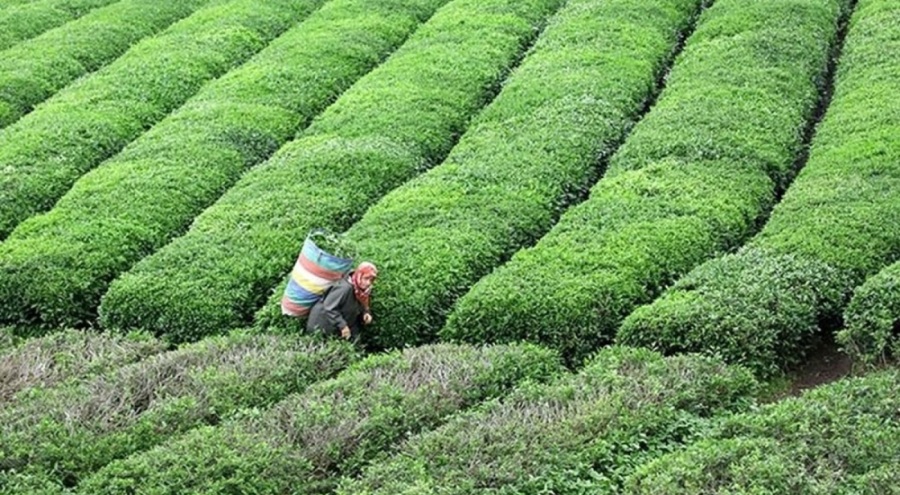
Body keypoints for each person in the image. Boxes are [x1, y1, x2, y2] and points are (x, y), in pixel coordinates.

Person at [307, 261, 377, 341]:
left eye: (371, 280)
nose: (368, 283)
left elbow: (360, 305)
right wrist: (342, 326)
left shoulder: (362, 292)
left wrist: (366, 313)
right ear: (359, 275)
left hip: (343, 324)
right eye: (366, 278)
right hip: (322, 325)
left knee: (356, 342)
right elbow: (329, 307)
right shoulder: (344, 288)